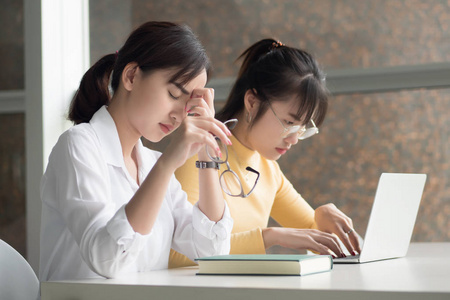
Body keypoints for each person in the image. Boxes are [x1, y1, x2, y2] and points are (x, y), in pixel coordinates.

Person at [39, 21, 234, 281]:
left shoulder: (151, 164)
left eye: (188, 105)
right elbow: (107, 258)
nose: (179, 116)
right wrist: (167, 165)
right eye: (174, 94)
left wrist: (206, 153)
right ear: (131, 76)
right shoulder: (79, 145)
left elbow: (213, 251)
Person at [170, 38, 361, 268]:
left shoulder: (268, 170)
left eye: (301, 130)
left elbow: (314, 236)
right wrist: (268, 237)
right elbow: (174, 255)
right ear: (252, 101)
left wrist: (322, 215)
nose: (293, 139)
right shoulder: (198, 155)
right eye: (289, 122)